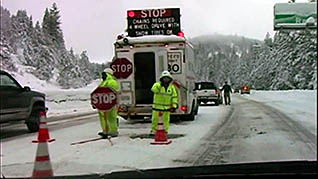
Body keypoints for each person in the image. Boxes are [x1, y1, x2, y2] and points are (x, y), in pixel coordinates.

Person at [150, 71, 179, 135]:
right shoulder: (157, 85)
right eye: (164, 78)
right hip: (157, 108)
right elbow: (153, 89)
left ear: (169, 79)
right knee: (155, 120)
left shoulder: (172, 87)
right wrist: (160, 86)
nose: (166, 79)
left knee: (166, 120)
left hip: (166, 108)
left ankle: (165, 131)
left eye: (167, 78)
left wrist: (174, 106)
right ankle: (154, 130)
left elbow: (174, 97)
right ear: (162, 78)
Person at [96, 68, 120, 138]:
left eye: (104, 74)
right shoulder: (103, 82)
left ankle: (113, 131)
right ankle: (105, 130)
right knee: (103, 117)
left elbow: (112, 92)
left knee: (111, 117)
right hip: (103, 104)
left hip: (110, 104)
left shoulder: (112, 82)